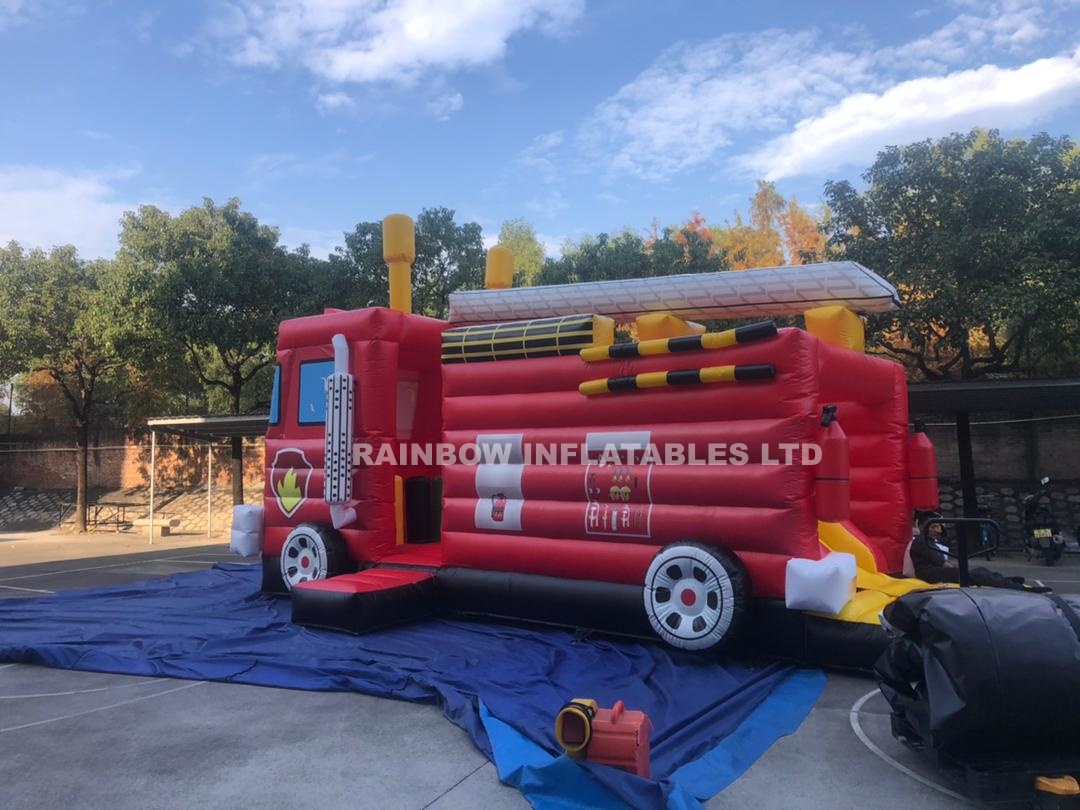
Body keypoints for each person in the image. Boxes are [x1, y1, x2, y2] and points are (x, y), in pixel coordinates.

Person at [907, 512, 1050, 592]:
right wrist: (959, 570)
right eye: (933, 527)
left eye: (937, 527)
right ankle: (1018, 588)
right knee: (975, 575)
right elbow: (941, 561)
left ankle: (1006, 580)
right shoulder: (921, 541)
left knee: (980, 570)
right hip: (931, 574)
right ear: (922, 526)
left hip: (935, 570)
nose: (936, 530)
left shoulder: (929, 540)